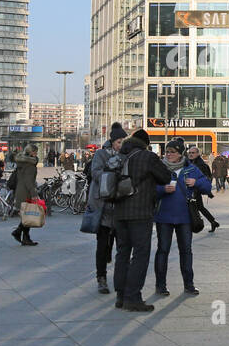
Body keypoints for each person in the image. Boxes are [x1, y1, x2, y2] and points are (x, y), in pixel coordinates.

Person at [111, 128, 173, 312]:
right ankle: (133, 297)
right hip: (140, 213)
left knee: (122, 253)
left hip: (119, 211)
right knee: (140, 254)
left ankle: (121, 296)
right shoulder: (147, 157)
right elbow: (165, 177)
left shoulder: (119, 155)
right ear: (145, 143)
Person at [153, 139, 211, 296]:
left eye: (173, 152)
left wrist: (196, 182)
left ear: (180, 153)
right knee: (163, 250)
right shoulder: (159, 168)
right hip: (163, 216)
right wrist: (162, 189)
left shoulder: (190, 169)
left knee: (186, 251)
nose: (169, 155)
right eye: (167, 152)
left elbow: (207, 186)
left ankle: (189, 284)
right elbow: (150, 188)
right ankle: (160, 285)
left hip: (185, 217)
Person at [87, 124, 126, 292]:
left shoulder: (125, 156)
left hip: (120, 207)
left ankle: (121, 279)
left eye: (123, 141)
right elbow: (95, 173)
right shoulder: (101, 154)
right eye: (119, 141)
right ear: (112, 141)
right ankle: (101, 277)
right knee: (102, 244)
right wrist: (111, 172)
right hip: (103, 206)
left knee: (122, 246)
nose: (121, 144)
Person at [9, 143, 39, 246]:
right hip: (26, 192)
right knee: (28, 215)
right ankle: (18, 232)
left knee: (27, 215)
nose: (36, 153)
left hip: (20, 191)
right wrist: (34, 193)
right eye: (35, 151)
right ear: (31, 152)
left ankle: (25, 237)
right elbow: (28, 180)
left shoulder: (22, 162)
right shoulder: (29, 164)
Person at [186, 144, 219, 232]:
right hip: (191, 190)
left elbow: (206, 179)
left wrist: (201, 187)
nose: (191, 154)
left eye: (193, 153)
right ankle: (213, 222)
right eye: (189, 153)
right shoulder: (189, 162)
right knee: (200, 207)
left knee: (195, 208)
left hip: (195, 190)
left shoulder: (201, 165)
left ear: (197, 154)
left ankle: (196, 224)